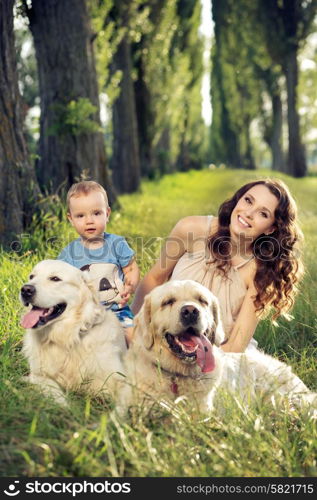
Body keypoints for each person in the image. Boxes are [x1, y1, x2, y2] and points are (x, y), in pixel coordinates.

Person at [131, 179, 304, 353]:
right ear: (238, 200)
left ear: (271, 229)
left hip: (219, 351)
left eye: (263, 214)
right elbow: (154, 278)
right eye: (248, 200)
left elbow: (236, 344)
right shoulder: (191, 229)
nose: (249, 213)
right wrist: (133, 330)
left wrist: (203, 362)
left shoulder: (262, 271)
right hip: (169, 338)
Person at [58, 180, 140, 345]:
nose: (89, 220)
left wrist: (131, 283)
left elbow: (131, 268)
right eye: (80, 215)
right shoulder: (69, 253)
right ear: (71, 219)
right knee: (74, 341)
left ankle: (135, 364)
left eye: (96, 213)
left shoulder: (117, 244)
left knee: (133, 337)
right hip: (84, 314)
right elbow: (61, 282)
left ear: (107, 214)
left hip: (118, 310)